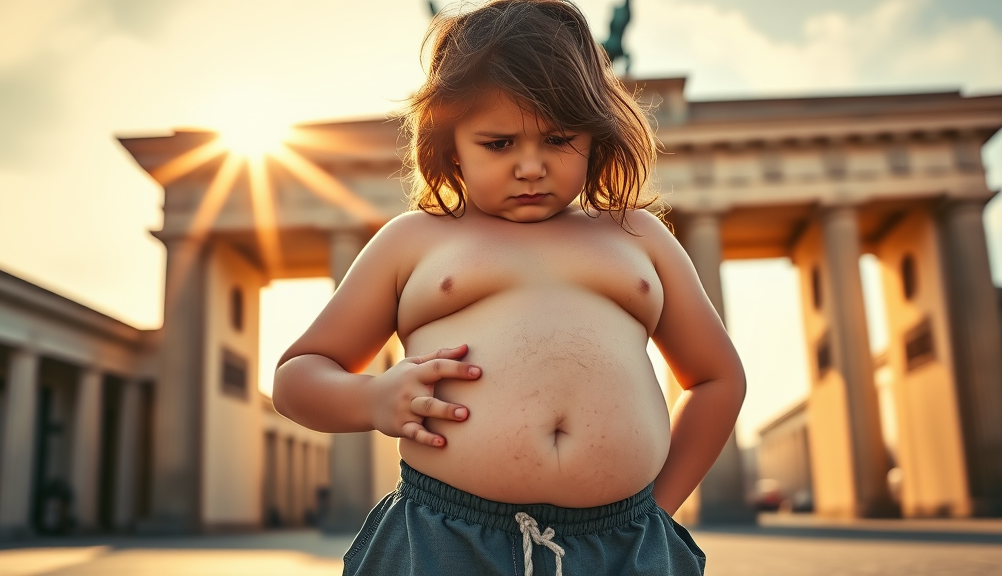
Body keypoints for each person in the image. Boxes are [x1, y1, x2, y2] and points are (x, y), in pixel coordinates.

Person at [272, 1, 745, 574]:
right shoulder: (415, 240)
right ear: (450, 146)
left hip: (622, 542)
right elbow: (297, 376)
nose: (530, 166)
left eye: (558, 139)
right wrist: (372, 398)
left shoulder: (635, 234)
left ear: (597, 136)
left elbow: (718, 377)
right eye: (498, 144)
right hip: (443, 537)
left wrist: (657, 511)